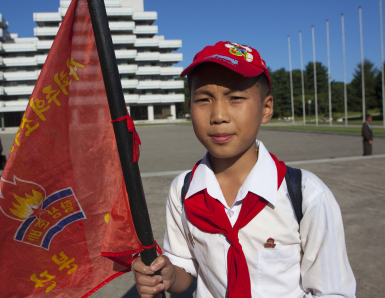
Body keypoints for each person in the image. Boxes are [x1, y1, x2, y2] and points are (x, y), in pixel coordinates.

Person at [132, 41, 356, 298]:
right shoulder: (183, 191)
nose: (218, 115)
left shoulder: (306, 195)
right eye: (203, 100)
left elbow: (333, 291)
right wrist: (169, 275)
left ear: (266, 108)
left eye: (235, 98)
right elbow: (185, 270)